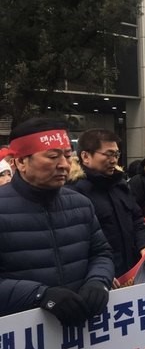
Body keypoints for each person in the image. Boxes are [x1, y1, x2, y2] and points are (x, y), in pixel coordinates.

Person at [0, 118, 114, 325]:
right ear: (21, 162)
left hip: (81, 329)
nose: (64, 165)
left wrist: (98, 281)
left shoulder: (81, 204)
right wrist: (39, 295)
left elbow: (101, 253)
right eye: (53, 157)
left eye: (68, 156)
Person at [68, 128, 145, 285]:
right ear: (85, 156)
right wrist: (98, 274)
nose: (114, 160)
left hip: (132, 274)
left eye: (116, 154)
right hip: (100, 280)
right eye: (108, 154)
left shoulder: (120, 185)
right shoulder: (73, 193)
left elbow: (137, 219)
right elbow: (74, 245)